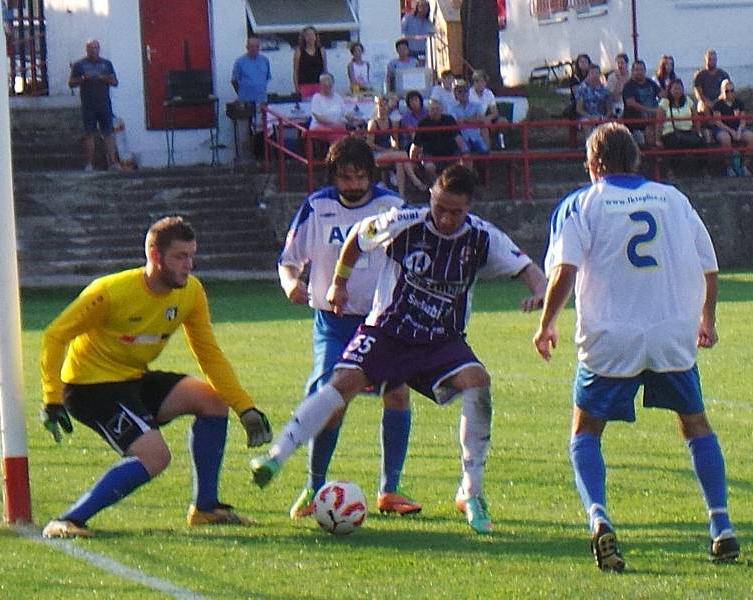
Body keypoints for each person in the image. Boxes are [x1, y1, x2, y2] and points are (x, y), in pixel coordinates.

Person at [253, 164, 547, 535]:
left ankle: (471, 491)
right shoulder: (404, 221)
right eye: (440, 207)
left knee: (477, 380)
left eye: (455, 211)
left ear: (469, 208)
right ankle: (276, 457)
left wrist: (539, 292)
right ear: (432, 198)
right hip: (388, 330)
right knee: (342, 382)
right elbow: (357, 240)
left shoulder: (484, 237)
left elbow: (530, 270)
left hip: (441, 339)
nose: (445, 217)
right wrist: (339, 284)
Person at [533, 122, 740, 571]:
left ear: (593, 164)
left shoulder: (582, 204)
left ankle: (600, 520)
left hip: (612, 336)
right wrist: (708, 318)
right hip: (670, 330)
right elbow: (709, 266)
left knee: (585, 432)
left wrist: (547, 324)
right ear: (638, 160)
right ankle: (721, 526)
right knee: (696, 424)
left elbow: (564, 271)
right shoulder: (673, 199)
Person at [39, 216, 273, 538]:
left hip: (133, 379)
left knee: (213, 400)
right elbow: (54, 336)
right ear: (154, 255)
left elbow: (209, 354)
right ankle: (68, 520)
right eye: (180, 256)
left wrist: (244, 407)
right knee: (156, 456)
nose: (189, 265)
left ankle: (205, 508)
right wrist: (52, 398)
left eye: (192, 256)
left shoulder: (191, 292)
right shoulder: (110, 292)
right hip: (89, 388)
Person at [278, 137, 421, 520]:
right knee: (331, 403)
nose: (353, 184)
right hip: (334, 323)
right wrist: (292, 283)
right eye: (345, 177)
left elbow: (418, 254)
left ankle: (390, 489)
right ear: (334, 176)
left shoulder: (392, 208)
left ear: (371, 175)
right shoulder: (317, 206)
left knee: (397, 394)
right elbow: (289, 260)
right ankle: (313, 485)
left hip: (383, 322)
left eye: (360, 176)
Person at [69, 39, 120, 172]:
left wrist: (105, 79)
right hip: (88, 104)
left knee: (108, 133)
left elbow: (115, 82)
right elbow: (71, 83)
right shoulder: (79, 65)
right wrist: (83, 79)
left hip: (104, 103)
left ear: (99, 49)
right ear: (86, 49)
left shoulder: (106, 64)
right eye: (91, 48)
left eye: (96, 48)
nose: (93, 51)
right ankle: (90, 164)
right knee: (89, 134)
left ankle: (113, 163)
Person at [368, 95, 427, 196]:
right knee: (403, 155)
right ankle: (416, 181)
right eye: (380, 106)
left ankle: (401, 195)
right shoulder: (373, 123)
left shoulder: (392, 122)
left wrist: (394, 147)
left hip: (391, 154)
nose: (382, 108)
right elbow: (370, 144)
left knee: (400, 162)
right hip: (377, 154)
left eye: (385, 106)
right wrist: (386, 150)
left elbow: (395, 139)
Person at [409, 98, 468, 183]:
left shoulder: (449, 120)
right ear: (428, 111)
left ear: (441, 110)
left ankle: (463, 187)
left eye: (437, 109)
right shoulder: (423, 124)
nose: (435, 111)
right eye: (432, 109)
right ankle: (436, 187)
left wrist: (465, 152)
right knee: (429, 167)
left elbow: (458, 138)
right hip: (430, 155)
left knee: (466, 160)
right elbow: (416, 145)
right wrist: (413, 161)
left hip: (451, 153)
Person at [655, 78, 702, 178]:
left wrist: (698, 132)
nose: (677, 91)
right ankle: (671, 170)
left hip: (688, 132)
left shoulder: (688, 100)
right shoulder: (664, 103)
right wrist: (658, 139)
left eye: (679, 88)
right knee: (675, 144)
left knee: (701, 143)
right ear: (670, 90)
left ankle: (702, 170)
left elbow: (695, 117)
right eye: (675, 89)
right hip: (670, 132)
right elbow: (659, 122)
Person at [713, 79, 753, 177]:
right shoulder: (718, 104)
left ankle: (745, 166)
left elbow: (743, 120)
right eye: (726, 91)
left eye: (732, 90)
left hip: (738, 128)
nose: (729, 93)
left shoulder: (739, 102)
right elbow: (718, 121)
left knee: (751, 137)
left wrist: (739, 131)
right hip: (723, 129)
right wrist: (731, 131)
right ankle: (729, 167)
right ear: (722, 91)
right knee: (725, 139)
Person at [231, 37, 271, 129]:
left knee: (261, 131)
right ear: (247, 47)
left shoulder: (265, 60)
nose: (254, 49)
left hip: (261, 102)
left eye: (257, 46)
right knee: (245, 132)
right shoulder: (240, 62)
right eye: (251, 46)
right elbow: (234, 81)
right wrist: (242, 93)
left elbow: (266, 78)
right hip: (245, 104)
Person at [621, 60, 660, 146]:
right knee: (649, 129)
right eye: (637, 70)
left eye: (641, 70)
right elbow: (631, 103)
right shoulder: (628, 86)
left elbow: (662, 94)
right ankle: (651, 154)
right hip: (636, 120)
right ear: (632, 71)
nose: (639, 72)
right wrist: (650, 110)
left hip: (654, 117)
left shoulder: (651, 83)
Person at [449, 80, 489, 157]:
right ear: (455, 95)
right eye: (460, 92)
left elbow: (481, 120)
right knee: (465, 154)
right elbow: (455, 123)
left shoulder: (477, 105)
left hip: (476, 137)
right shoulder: (451, 108)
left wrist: (464, 119)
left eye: (465, 91)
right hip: (462, 139)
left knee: (485, 152)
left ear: (469, 93)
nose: (463, 94)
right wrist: (473, 120)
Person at [693, 49, 730, 118]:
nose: (712, 62)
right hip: (704, 102)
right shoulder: (699, 75)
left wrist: (718, 101)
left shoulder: (723, 74)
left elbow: (727, 90)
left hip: (720, 100)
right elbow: (698, 92)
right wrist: (707, 102)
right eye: (710, 59)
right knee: (704, 108)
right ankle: (711, 126)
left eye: (714, 59)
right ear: (705, 60)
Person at [576, 64, 610, 134]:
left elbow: (609, 108)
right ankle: (590, 143)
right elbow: (579, 109)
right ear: (588, 75)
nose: (594, 75)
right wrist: (591, 117)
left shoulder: (605, 89)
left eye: (596, 73)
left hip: (601, 116)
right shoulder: (582, 89)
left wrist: (605, 117)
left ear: (600, 75)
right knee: (586, 124)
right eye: (592, 73)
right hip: (587, 116)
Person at [293, 26, 327, 97]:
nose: (310, 37)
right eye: (307, 35)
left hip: (319, 85)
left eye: (312, 34)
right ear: (304, 38)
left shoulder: (321, 50)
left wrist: (326, 85)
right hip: (304, 85)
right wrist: (297, 89)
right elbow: (296, 72)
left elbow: (325, 69)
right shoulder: (299, 51)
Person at [564, 53, 592, 120]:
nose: (583, 64)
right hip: (579, 101)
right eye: (581, 62)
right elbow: (576, 92)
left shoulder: (593, 75)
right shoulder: (574, 78)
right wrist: (586, 81)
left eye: (585, 61)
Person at [606, 53, 630, 118]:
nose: (620, 65)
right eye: (618, 63)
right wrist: (620, 80)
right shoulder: (611, 77)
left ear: (627, 64)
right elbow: (614, 97)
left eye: (622, 63)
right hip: (617, 104)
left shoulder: (632, 76)